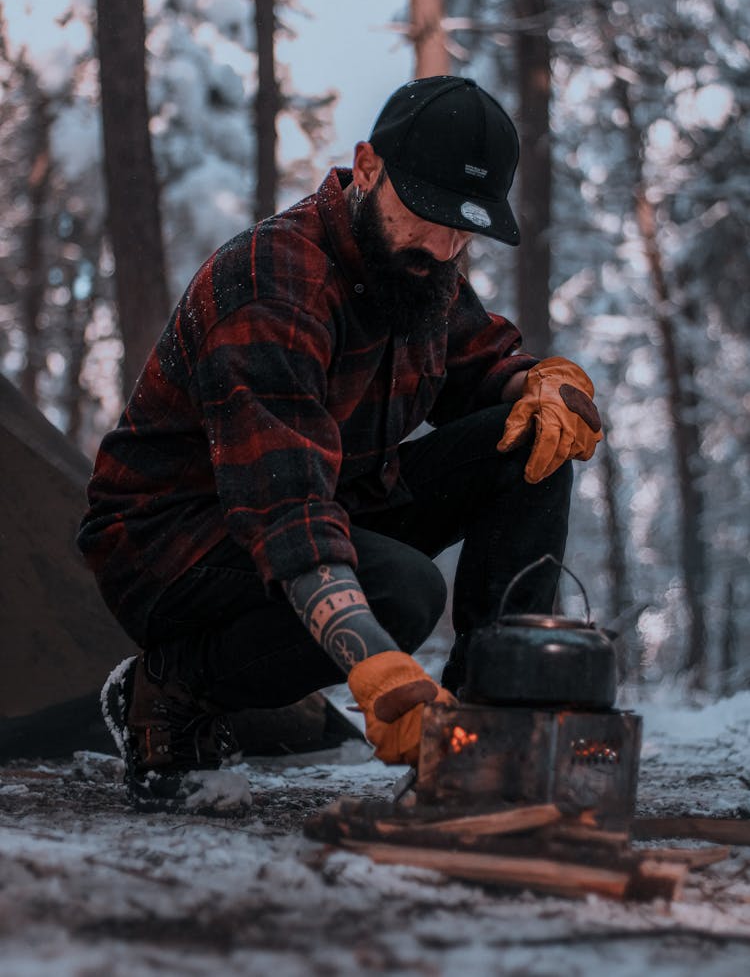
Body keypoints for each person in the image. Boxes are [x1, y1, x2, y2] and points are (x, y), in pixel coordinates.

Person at [78, 76, 603, 811]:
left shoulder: (420, 267)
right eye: (428, 216)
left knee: (529, 446)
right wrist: (375, 660)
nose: (445, 244)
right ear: (366, 168)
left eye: (464, 229)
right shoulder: (271, 285)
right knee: (402, 590)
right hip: (172, 544)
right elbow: (285, 507)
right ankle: (166, 687)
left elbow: (481, 364)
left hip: (332, 500)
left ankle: (480, 740)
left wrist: (543, 385)